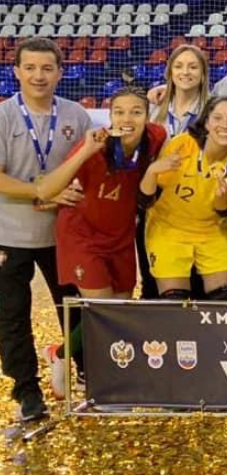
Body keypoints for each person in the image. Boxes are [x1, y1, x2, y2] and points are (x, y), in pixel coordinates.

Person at [35, 87, 167, 398]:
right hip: (83, 236)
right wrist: (84, 153)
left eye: (136, 111)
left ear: (147, 117)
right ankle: (101, 381)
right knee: (104, 310)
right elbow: (45, 189)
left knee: (117, 310)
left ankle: (61, 351)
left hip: (120, 237)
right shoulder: (95, 143)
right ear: (110, 116)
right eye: (119, 112)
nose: (127, 118)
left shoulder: (157, 137)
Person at [0, 37, 92, 422]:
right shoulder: (4, 116)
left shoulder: (75, 116)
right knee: (11, 316)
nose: (39, 76)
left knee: (76, 312)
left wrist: (63, 195)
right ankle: (27, 391)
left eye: (47, 68)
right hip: (9, 235)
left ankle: (89, 374)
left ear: (60, 72)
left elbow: (88, 172)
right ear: (17, 71)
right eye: (31, 68)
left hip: (64, 235)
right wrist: (39, 191)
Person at [139, 97, 227, 301]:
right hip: (169, 228)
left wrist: (221, 198)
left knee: (225, 299)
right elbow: (146, 200)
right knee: (174, 302)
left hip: (213, 229)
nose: (225, 125)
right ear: (206, 123)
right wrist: (151, 172)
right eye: (217, 118)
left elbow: (223, 210)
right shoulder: (182, 145)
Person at [152, 45, 211, 139]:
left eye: (193, 67)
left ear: (203, 74)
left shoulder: (213, 111)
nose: (185, 72)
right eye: (178, 66)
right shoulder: (153, 106)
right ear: (170, 73)